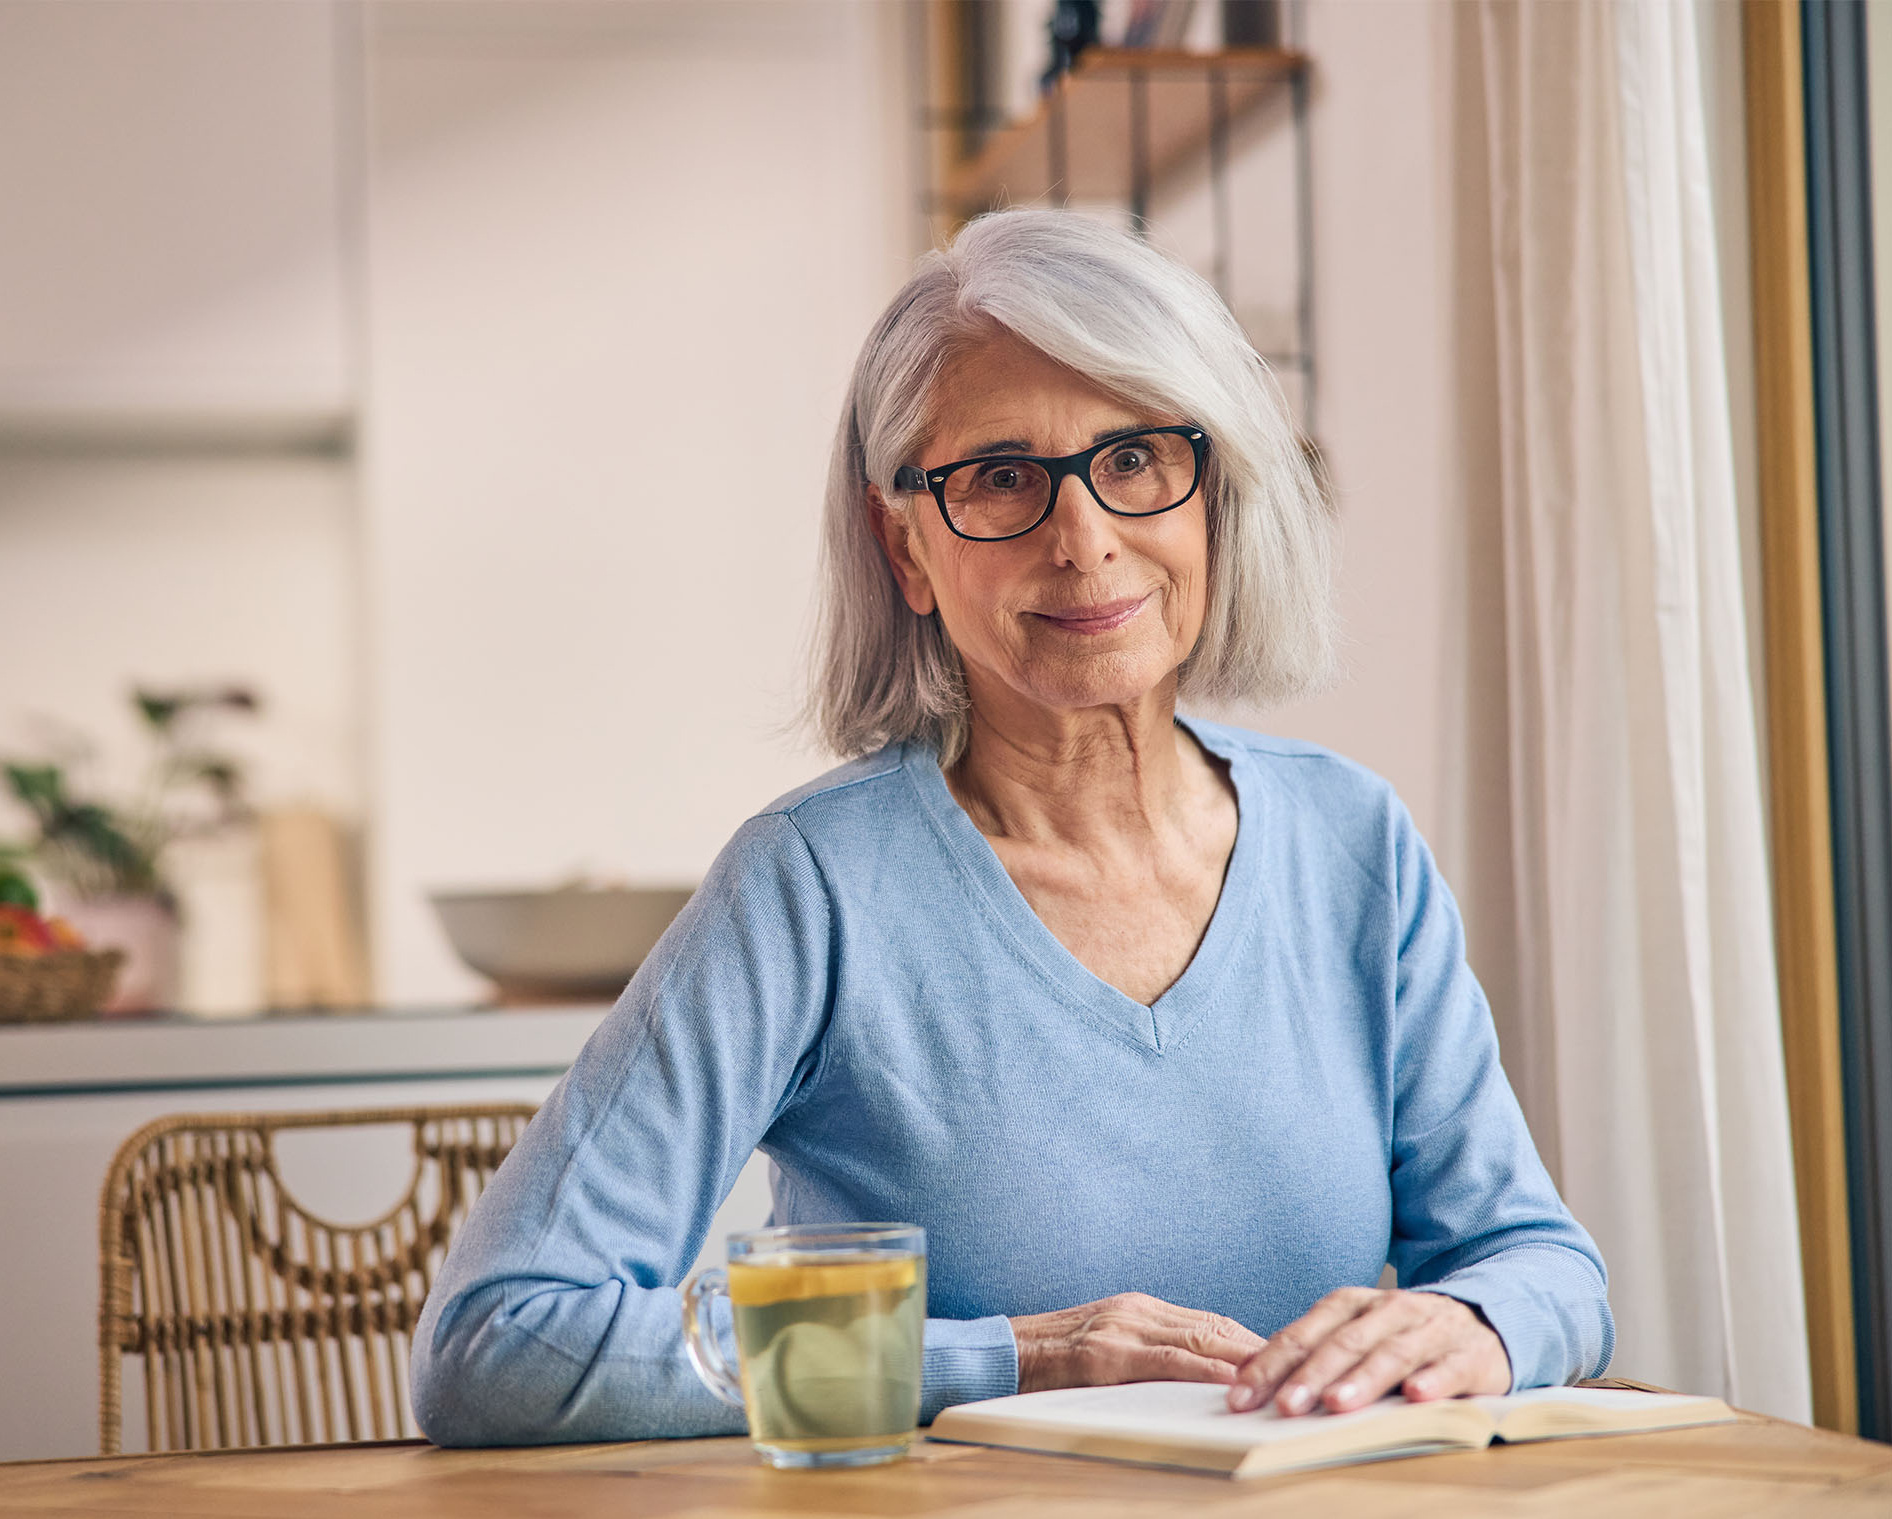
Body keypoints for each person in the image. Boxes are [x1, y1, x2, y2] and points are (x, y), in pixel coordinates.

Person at [410, 209, 1612, 1446]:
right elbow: (495, 1342)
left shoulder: (1352, 840)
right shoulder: (810, 886)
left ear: (1214, 493)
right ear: (905, 546)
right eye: (1000, 478)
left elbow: (1539, 1261)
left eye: (1137, 459)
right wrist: (1008, 1359)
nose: (1082, 538)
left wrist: (1479, 1323)